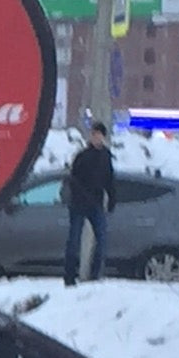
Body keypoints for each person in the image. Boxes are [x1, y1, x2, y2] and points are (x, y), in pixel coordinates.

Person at [62, 121, 118, 287]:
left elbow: (109, 179)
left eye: (99, 135)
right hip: (79, 204)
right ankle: (69, 276)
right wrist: (82, 196)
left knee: (101, 239)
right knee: (74, 240)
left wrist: (112, 198)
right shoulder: (83, 156)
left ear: (103, 137)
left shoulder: (106, 156)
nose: (96, 138)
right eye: (94, 134)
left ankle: (95, 275)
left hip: (96, 204)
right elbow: (73, 180)